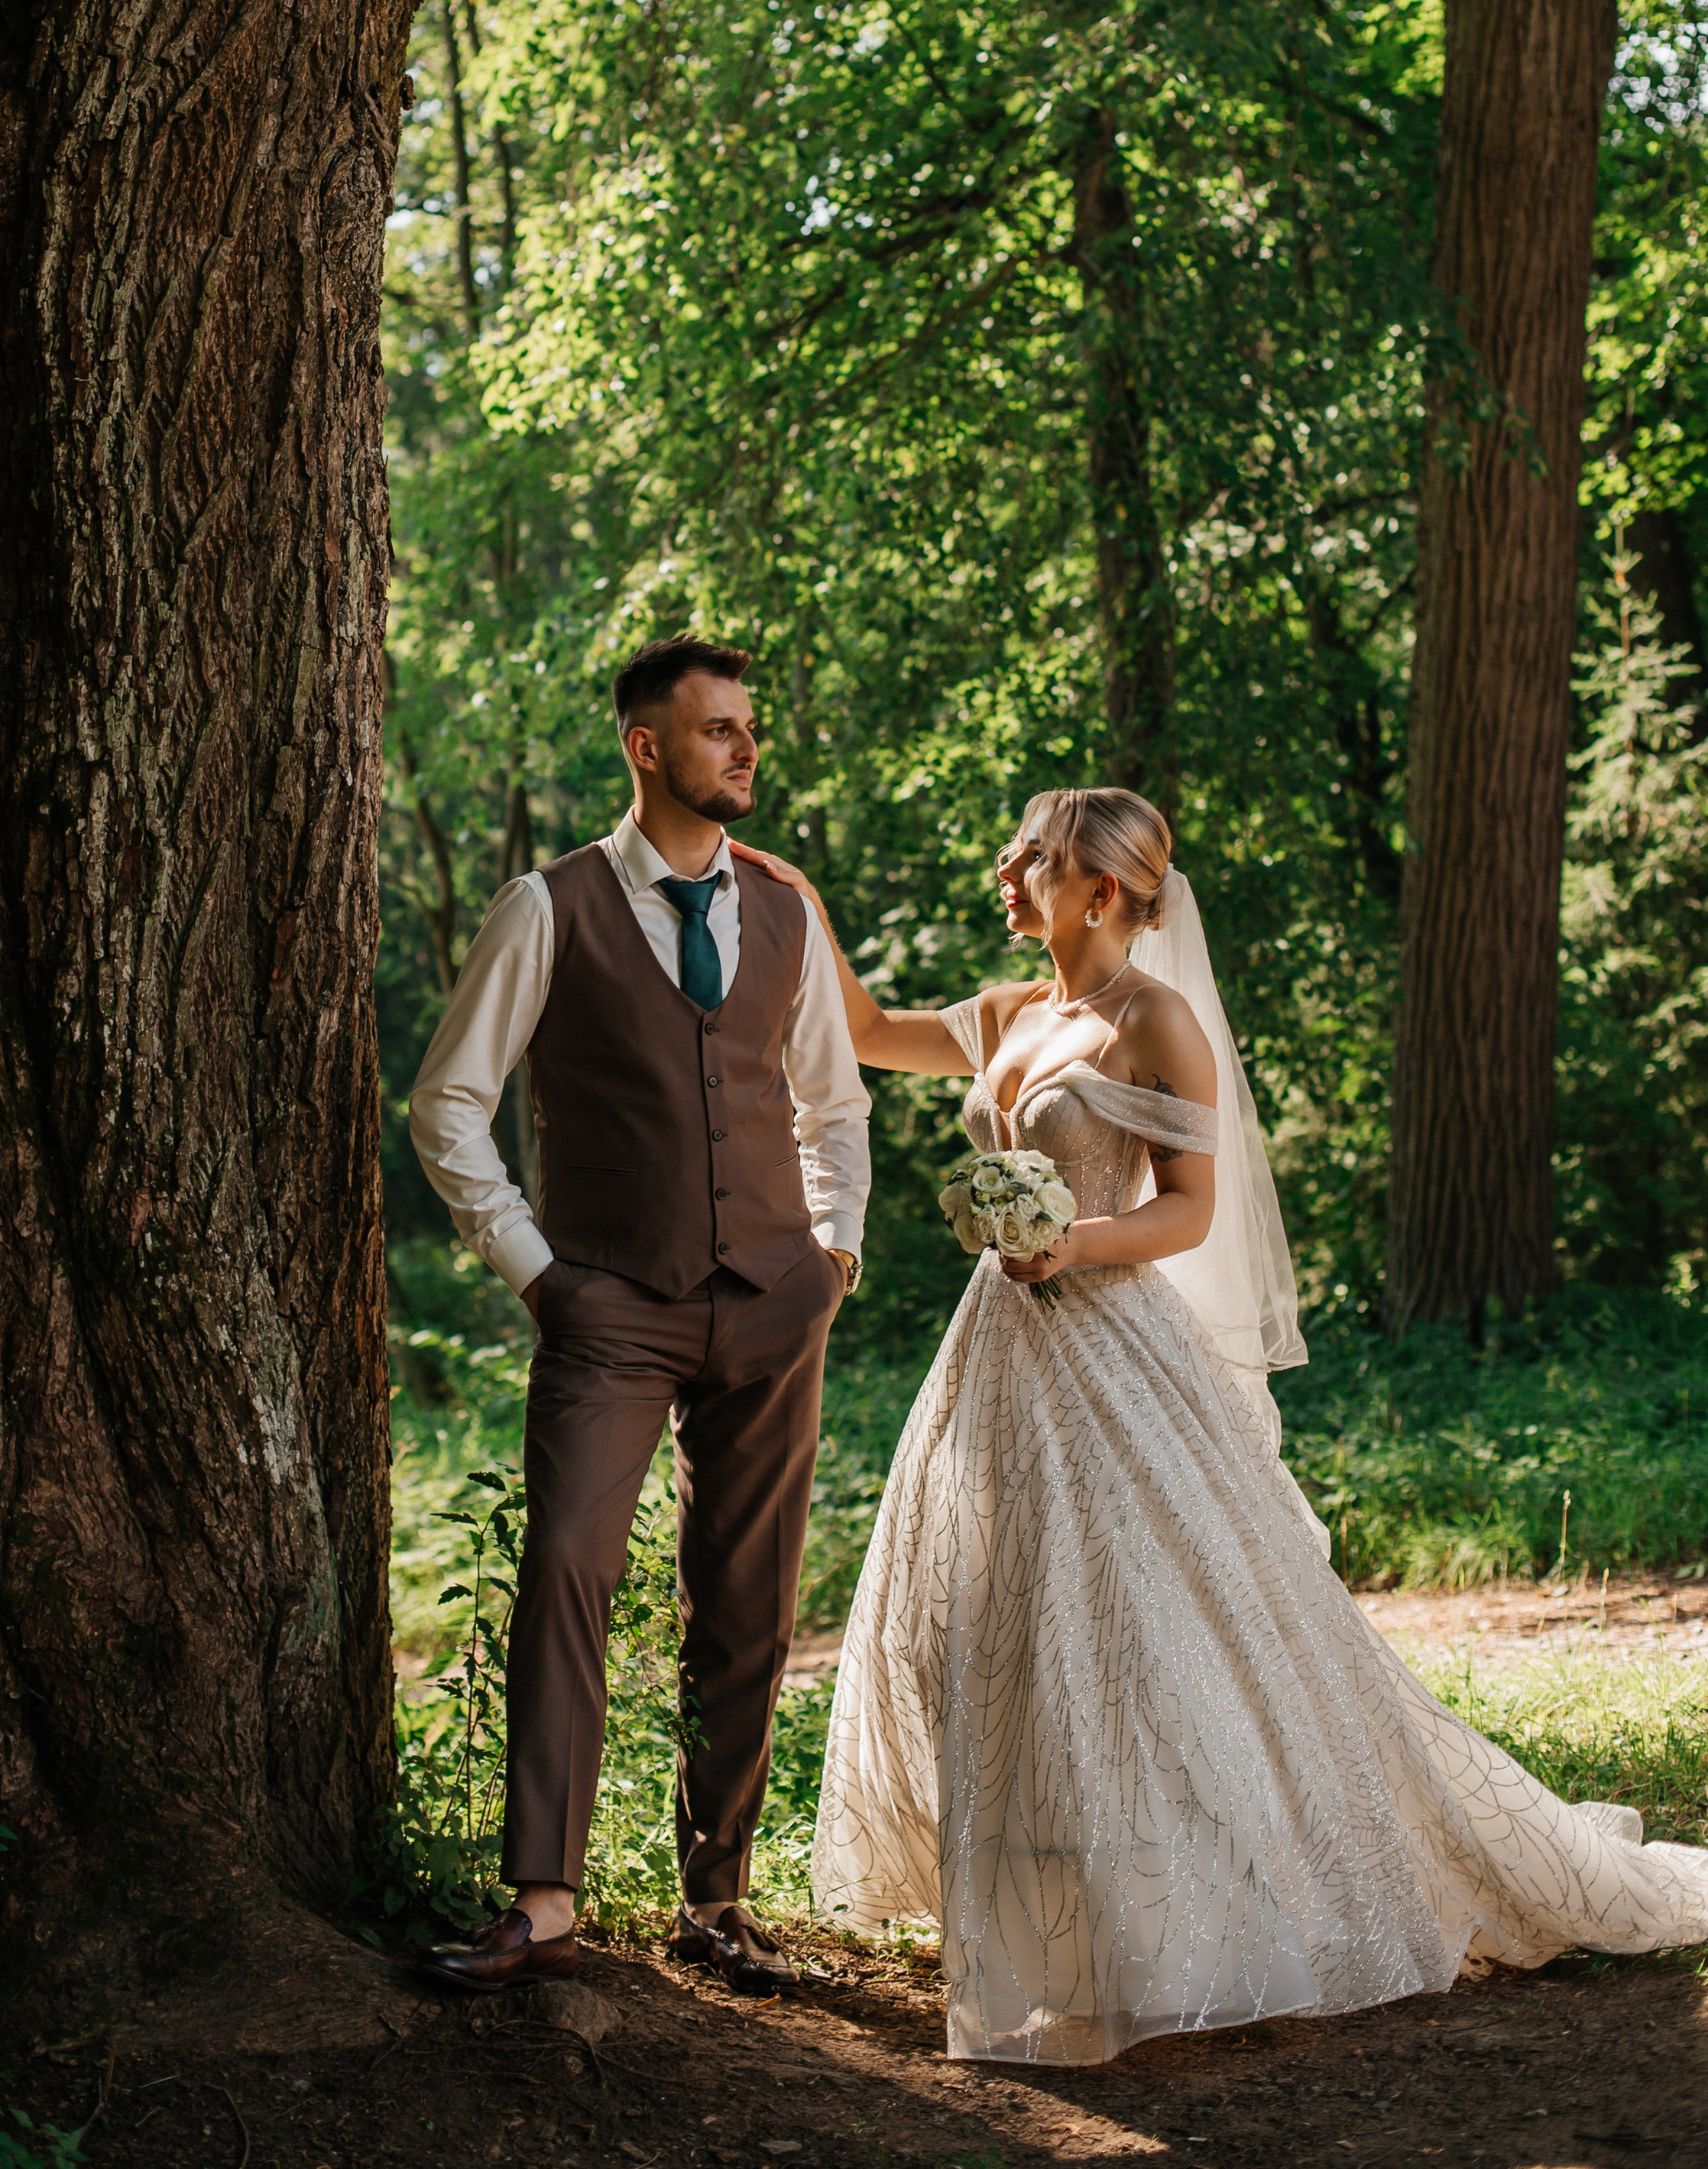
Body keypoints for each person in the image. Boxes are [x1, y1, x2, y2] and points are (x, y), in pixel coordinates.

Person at [743, 786, 1708, 2065]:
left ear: (1099, 889)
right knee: (1011, 1612)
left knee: (1138, 1616)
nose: (1005, 872)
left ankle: (1203, 1912)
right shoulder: (1009, 1012)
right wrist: (803, 903)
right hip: (997, 1349)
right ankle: (1060, 1915)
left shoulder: (1157, 1022)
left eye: (1030, 858)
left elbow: (1190, 1208)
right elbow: (865, 1033)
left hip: (1108, 1336)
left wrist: (1070, 1243)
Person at [408, 636, 870, 1995]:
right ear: (646, 747)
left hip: (774, 1300)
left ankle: (716, 1901)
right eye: (717, 728)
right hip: (607, 1303)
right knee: (567, 1564)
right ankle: (546, 1900)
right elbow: (449, 1103)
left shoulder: (783, 908)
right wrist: (536, 1270)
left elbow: (833, 1103)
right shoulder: (546, 908)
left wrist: (833, 1255)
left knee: (749, 1597)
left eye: (748, 727)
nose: (745, 748)